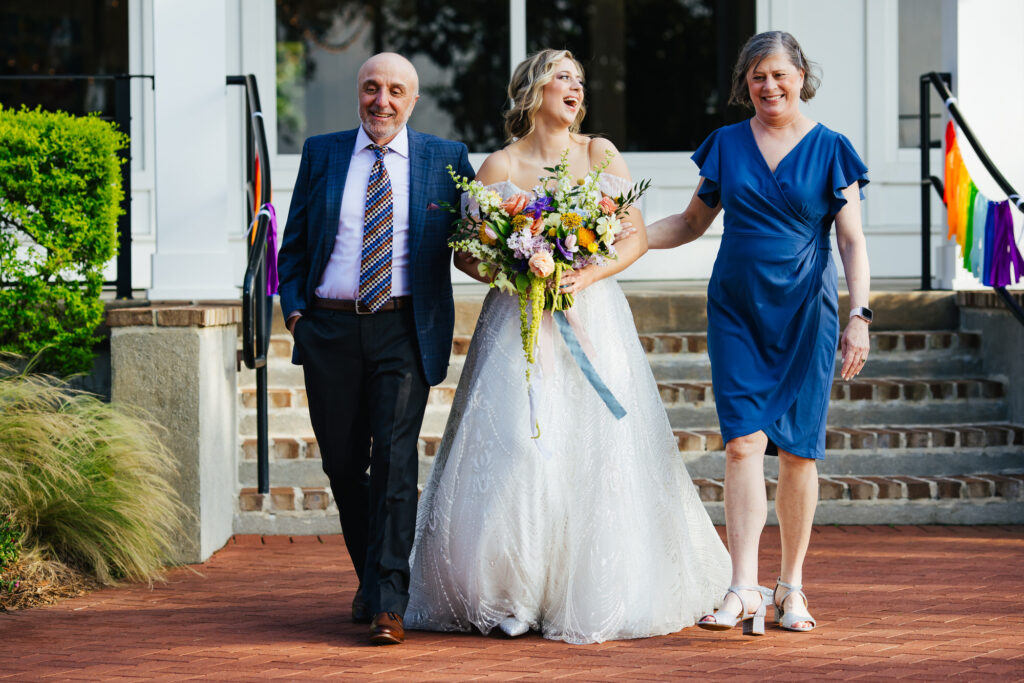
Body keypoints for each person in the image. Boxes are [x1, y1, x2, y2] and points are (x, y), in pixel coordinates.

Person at [404, 49, 731, 645]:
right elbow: (466, 254)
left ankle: (586, 590)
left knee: (596, 452)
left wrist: (587, 276)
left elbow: (633, 238)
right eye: (562, 78)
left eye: (580, 79)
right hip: (519, 323)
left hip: (592, 317)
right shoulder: (498, 166)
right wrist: (515, 271)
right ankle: (512, 593)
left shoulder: (598, 154)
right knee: (521, 449)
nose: (576, 88)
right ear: (533, 91)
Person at [646, 31, 871, 634]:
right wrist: (624, 241)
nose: (768, 86)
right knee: (743, 444)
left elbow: (850, 240)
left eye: (778, 74)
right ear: (745, 86)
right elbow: (692, 223)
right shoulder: (725, 144)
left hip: (807, 311)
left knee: (799, 450)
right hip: (738, 310)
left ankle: (790, 586)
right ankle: (743, 587)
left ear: (801, 74)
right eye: (756, 77)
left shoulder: (831, 149)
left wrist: (860, 315)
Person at [276, 52, 474, 646]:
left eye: (394, 91)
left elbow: (475, 243)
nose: (381, 101)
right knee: (342, 463)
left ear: (413, 100)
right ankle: (372, 576)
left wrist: (532, 255)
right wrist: (296, 315)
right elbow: (295, 243)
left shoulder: (446, 160)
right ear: (358, 95)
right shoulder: (324, 151)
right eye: (370, 88)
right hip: (330, 329)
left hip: (404, 327)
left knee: (394, 461)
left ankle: (390, 600)